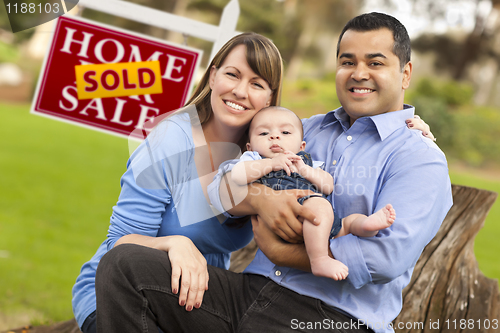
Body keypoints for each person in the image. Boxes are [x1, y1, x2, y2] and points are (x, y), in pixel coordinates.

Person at [91, 15, 440, 333]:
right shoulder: (302, 130)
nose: (358, 73)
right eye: (347, 62)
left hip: (330, 317)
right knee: (125, 266)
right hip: (248, 293)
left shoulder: (419, 158)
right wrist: (263, 198)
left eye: (375, 63)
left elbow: (385, 259)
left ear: (406, 73)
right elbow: (229, 183)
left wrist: (280, 252)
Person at [231, 105, 396, 280]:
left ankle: (365, 226)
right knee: (320, 205)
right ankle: (319, 259)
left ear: (301, 146)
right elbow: (237, 175)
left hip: (320, 223)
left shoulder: (304, 161)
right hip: (288, 216)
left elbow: (328, 185)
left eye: (285, 133)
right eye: (264, 134)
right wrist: (271, 164)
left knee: (347, 222)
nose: (274, 136)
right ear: (249, 146)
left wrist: (305, 171)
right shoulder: (254, 159)